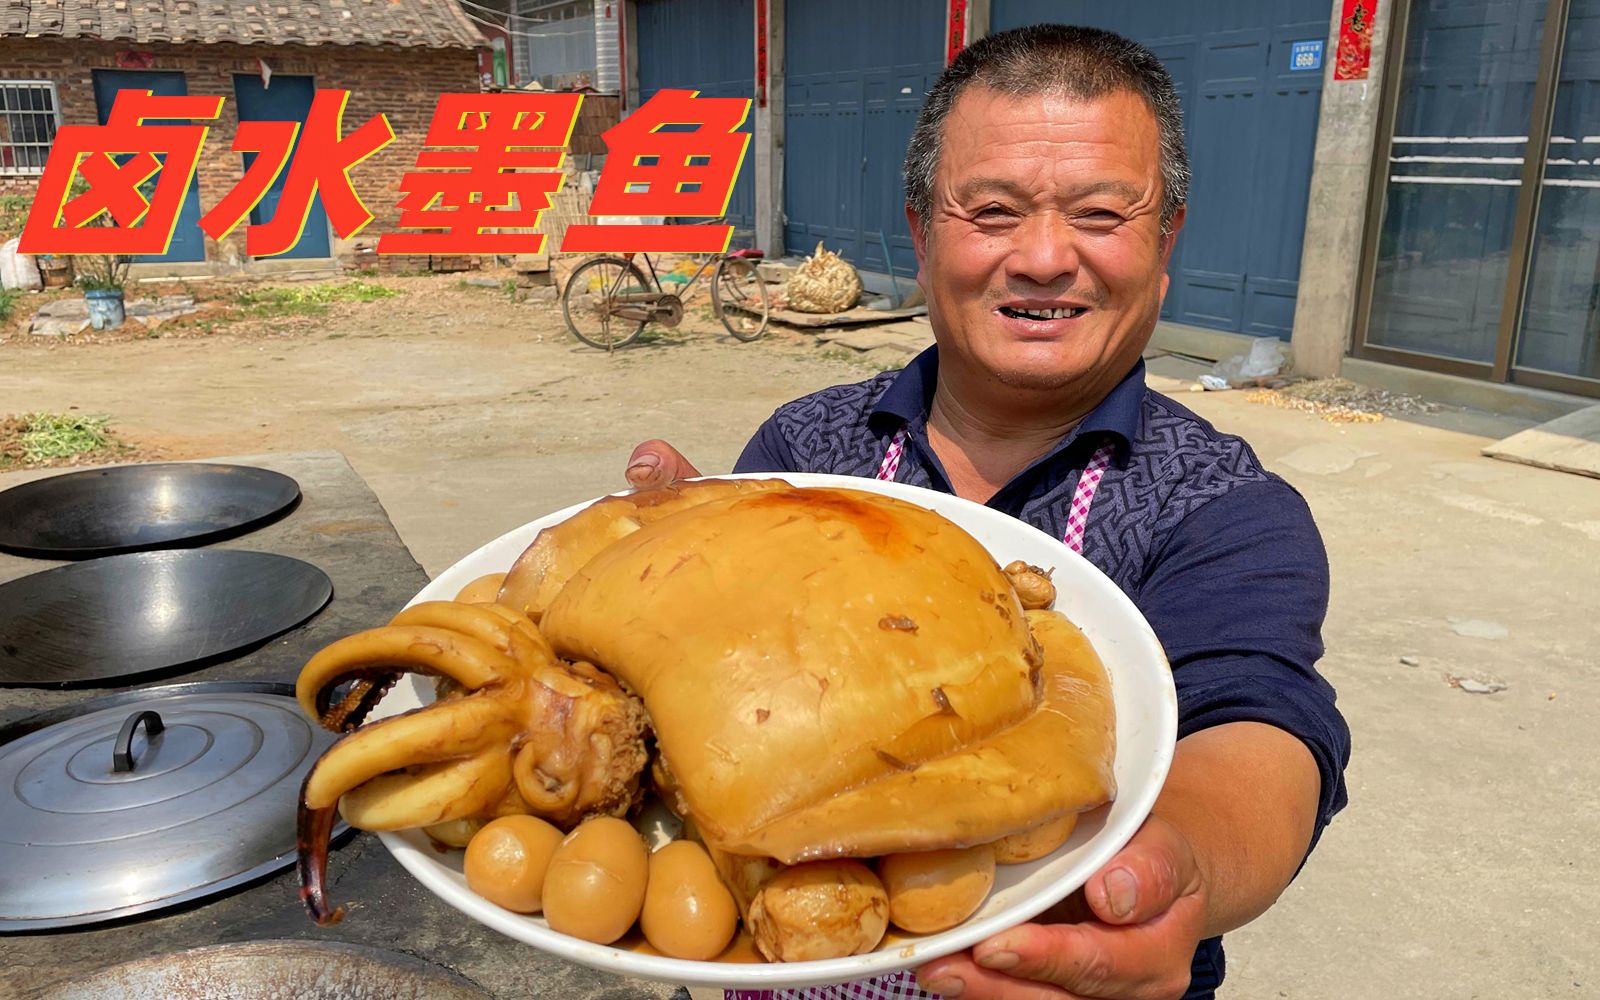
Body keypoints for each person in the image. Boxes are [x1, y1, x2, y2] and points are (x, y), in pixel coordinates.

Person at [624, 24, 1350, 1000]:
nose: (1045, 257)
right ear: (923, 235)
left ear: (1165, 238)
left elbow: (1259, 726)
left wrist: (1168, 869)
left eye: (1100, 212)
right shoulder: (806, 453)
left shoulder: (1220, 504)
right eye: (993, 210)